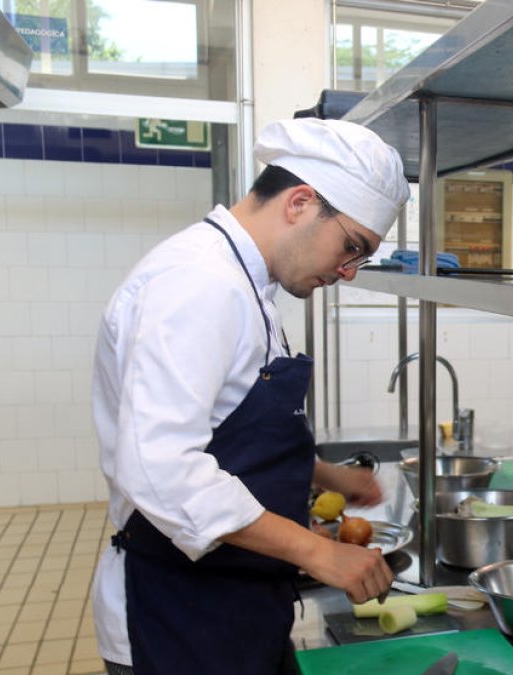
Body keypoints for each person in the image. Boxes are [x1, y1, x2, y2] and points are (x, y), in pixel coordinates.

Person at [91, 118, 409, 674]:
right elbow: (161, 469)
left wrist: (322, 475)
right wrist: (318, 551)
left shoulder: (247, 283)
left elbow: (231, 432)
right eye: (352, 246)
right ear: (301, 202)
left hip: (236, 602)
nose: (349, 271)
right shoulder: (197, 283)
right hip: (179, 616)